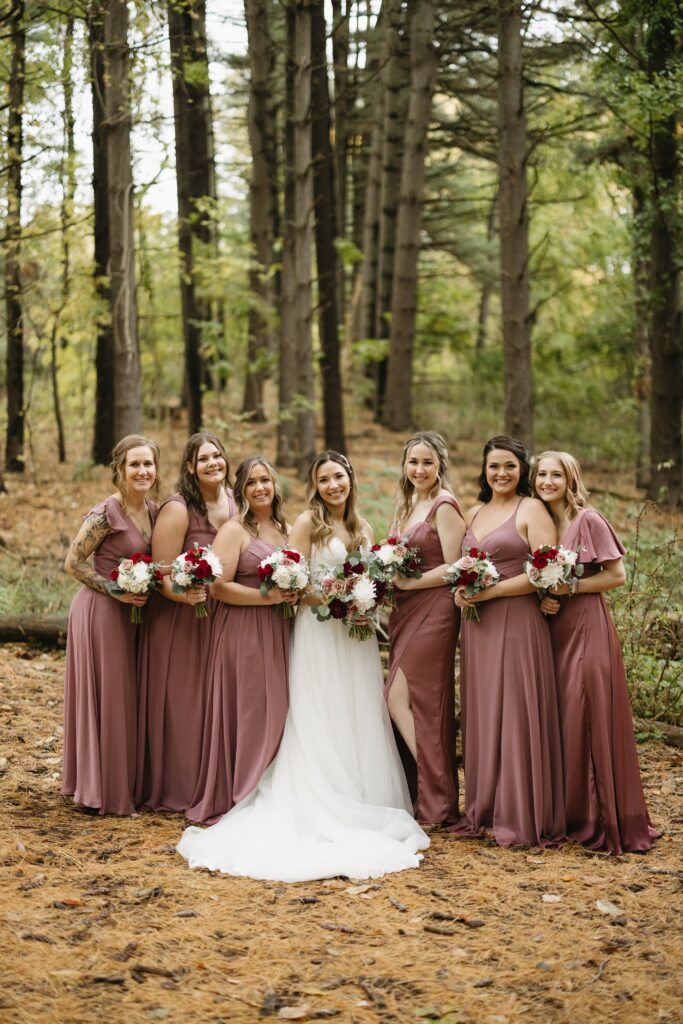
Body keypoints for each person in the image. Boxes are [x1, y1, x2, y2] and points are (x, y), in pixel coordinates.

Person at [178, 451, 429, 881]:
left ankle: (361, 793)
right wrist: (340, 598)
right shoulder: (307, 523)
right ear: (315, 485)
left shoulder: (363, 527)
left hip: (357, 635)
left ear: (350, 478)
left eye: (339, 476)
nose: (333, 485)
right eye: (324, 479)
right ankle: (322, 790)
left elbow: (371, 580)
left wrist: (367, 601)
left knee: (357, 710)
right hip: (318, 631)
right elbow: (293, 583)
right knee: (319, 708)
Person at [532, 450, 660, 853]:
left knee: (586, 714)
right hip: (556, 632)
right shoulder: (544, 523)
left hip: (588, 631)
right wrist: (547, 599)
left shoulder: (587, 519)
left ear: (571, 479)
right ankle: (571, 812)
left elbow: (616, 575)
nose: (548, 481)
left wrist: (566, 590)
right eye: (542, 474)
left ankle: (601, 817)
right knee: (565, 720)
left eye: (556, 474)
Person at [451, 435, 565, 847]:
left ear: (522, 471)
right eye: (494, 466)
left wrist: (492, 591)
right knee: (484, 709)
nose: (501, 473)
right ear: (484, 469)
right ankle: (483, 806)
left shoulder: (531, 508)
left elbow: (547, 570)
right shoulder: (474, 511)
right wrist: (461, 590)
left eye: (510, 466)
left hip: (518, 622)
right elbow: (461, 567)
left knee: (516, 707)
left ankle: (520, 809)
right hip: (478, 626)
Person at [185, 455, 293, 823]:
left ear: (275, 485)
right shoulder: (233, 530)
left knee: (278, 711)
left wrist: (291, 594)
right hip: (242, 631)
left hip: (280, 630)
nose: (260, 488)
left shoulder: (286, 528)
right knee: (251, 711)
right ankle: (242, 792)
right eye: (251, 482)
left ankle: (270, 787)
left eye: (265, 480)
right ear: (241, 490)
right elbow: (218, 587)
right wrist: (269, 597)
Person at [136, 433, 236, 812]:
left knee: (213, 701)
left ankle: (214, 782)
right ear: (190, 467)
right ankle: (179, 786)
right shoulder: (177, 509)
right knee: (183, 702)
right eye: (204, 458)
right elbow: (162, 574)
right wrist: (185, 593)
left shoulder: (234, 501)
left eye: (218, 455)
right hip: (180, 619)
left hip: (221, 617)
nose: (213, 463)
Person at [62, 434, 160, 816]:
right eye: (134, 464)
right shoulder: (106, 513)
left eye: (148, 464)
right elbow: (73, 563)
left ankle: (123, 783)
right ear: (119, 469)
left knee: (124, 696)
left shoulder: (154, 511)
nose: (142, 471)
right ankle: (98, 789)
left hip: (132, 612)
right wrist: (115, 590)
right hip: (100, 611)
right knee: (108, 695)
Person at [385, 431, 465, 824]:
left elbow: (456, 566)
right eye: (414, 462)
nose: (419, 469)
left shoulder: (444, 505)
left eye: (427, 463)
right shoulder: (405, 504)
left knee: (403, 698)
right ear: (405, 465)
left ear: (440, 467)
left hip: (435, 611)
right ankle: (430, 792)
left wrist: (411, 583)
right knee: (412, 702)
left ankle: (440, 791)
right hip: (404, 610)